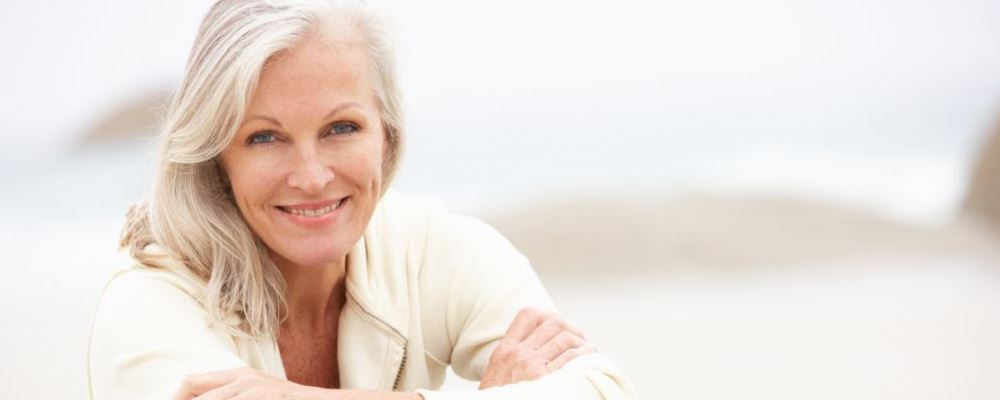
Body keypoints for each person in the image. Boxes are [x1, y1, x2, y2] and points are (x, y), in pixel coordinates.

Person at [87, 1, 637, 399]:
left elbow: (599, 388)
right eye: (265, 137)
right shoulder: (148, 301)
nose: (311, 177)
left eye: (341, 128)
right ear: (216, 158)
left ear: (387, 137)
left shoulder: (430, 249)